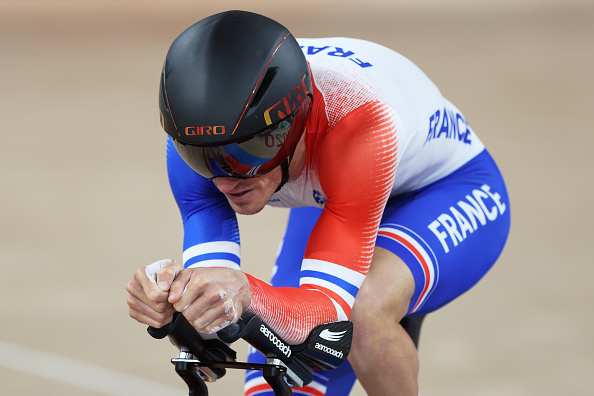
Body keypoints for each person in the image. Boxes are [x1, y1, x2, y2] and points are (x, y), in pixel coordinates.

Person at [126, 10, 510, 396]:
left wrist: (246, 294)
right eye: (202, 157)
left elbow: (325, 313)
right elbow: (219, 299)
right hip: (336, 198)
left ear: (293, 124)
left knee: (363, 313)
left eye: (248, 150)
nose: (226, 178)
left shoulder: (359, 124)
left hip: (444, 189)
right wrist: (178, 303)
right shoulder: (199, 134)